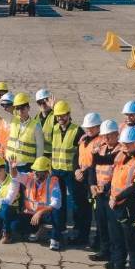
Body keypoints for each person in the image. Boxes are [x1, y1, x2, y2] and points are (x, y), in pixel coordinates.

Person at [99, 126, 135, 269]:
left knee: (132, 243)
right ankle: (118, 268)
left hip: (130, 205)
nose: (125, 147)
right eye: (123, 144)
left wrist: (117, 197)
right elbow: (110, 168)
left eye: (128, 144)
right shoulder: (121, 154)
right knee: (116, 239)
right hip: (115, 204)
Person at [49, 100, 85, 244]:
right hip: (56, 171)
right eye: (58, 116)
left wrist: (79, 170)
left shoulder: (77, 131)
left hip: (70, 172)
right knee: (59, 201)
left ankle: (78, 229)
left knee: (76, 201)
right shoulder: (54, 129)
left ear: (69, 114)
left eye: (63, 115)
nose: (60, 118)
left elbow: (82, 153)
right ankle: (61, 227)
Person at [9, 156, 63, 250]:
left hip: (46, 214)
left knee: (57, 211)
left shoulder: (53, 181)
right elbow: (16, 176)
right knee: (14, 225)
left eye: (38, 171)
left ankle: (55, 239)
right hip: (31, 214)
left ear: (46, 172)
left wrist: (40, 212)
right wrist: (13, 168)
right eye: (34, 170)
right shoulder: (29, 177)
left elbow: (56, 203)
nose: (34, 173)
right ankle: (36, 230)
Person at [88, 119, 119, 262]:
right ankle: (104, 250)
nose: (106, 138)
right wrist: (92, 184)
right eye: (104, 135)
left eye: (109, 135)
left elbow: (119, 176)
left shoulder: (120, 151)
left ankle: (114, 255)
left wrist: (105, 188)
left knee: (113, 227)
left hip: (112, 194)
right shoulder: (101, 148)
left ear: (117, 134)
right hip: (99, 193)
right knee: (101, 224)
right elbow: (92, 168)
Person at [74, 112, 102, 248]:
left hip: (93, 181)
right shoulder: (83, 139)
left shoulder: (101, 142)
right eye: (87, 127)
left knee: (98, 214)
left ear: (98, 127)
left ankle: (98, 241)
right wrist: (76, 170)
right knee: (83, 211)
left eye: (91, 127)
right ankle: (82, 236)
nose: (88, 130)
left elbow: (96, 163)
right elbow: (76, 156)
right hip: (81, 180)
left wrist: (83, 173)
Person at [0, 92, 44, 173]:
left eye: (22, 108)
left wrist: (37, 168)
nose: (20, 111)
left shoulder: (36, 126)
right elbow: (0, 111)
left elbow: (40, 150)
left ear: (28, 108)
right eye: (18, 108)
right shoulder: (12, 120)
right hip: (10, 164)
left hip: (26, 167)